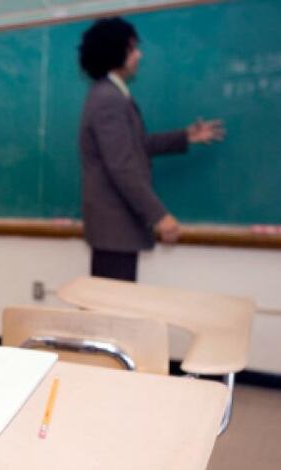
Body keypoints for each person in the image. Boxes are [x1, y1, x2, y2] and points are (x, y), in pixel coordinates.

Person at [78, 17, 225, 281]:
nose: (139, 55)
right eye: (133, 48)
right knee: (113, 315)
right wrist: (160, 216)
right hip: (115, 229)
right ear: (115, 52)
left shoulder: (111, 95)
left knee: (112, 311)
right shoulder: (108, 98)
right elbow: (121, 165)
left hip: (115, 231)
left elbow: (135, 145)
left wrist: (185, 137)